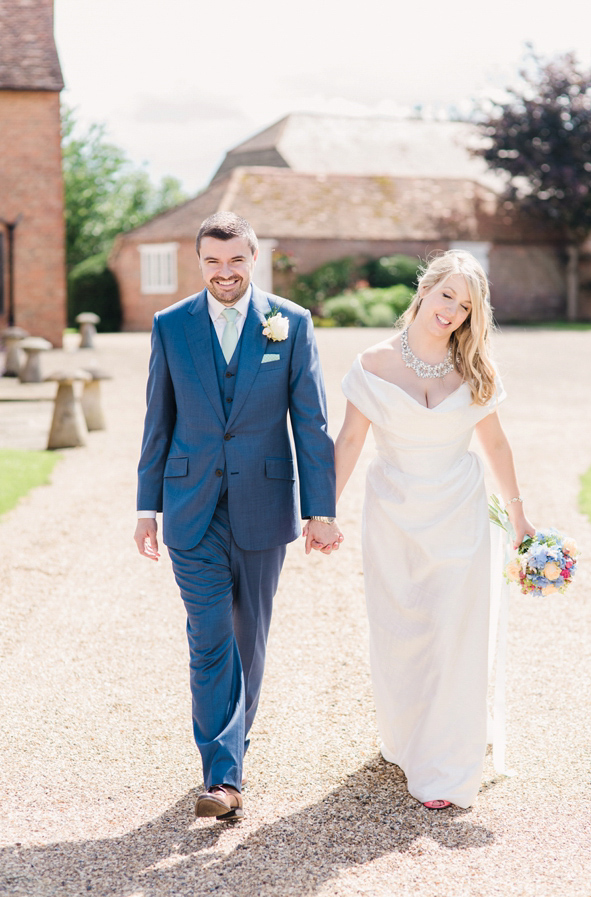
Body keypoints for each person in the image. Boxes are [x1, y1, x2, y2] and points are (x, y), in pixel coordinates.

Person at [135, 212, 341, 821]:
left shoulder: (291, 323)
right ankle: (222, 777)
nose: (224, 274)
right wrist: (147, 507)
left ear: (254, 260)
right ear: (198, 262)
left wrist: (321, 511)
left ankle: (232, 744)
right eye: (212, 262)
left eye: (235, 262)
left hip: (263, 504)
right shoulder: (171, 326)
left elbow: (312, 424)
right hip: (191, 508)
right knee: (209, 637)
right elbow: (158, 421)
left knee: (249, 634)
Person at [333, 250, 534, 810]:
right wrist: (323, 512)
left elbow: (495, 444)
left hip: (461, 515)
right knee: (402, 634)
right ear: (424, 291)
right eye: (446, 294)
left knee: (454, 632)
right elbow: (349, 441)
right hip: (394, 516)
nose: (451, 310)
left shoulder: (473, 370)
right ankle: (407, 740)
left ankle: (445, 768)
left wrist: (519, 518)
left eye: (465, 305)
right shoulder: (373, 363)